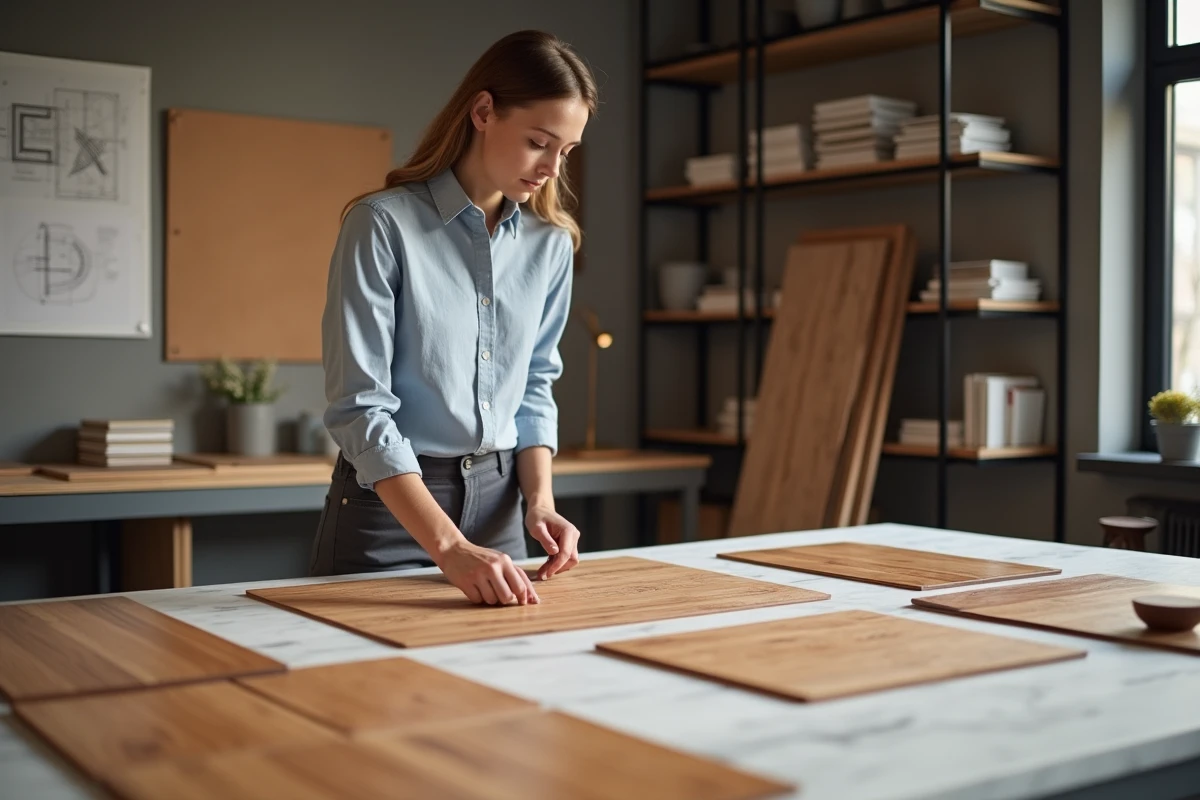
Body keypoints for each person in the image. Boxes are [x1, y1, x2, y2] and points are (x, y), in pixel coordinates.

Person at [309, 30, 596, 607]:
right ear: (484, 111)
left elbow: (535, 386)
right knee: (363, 689)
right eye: (539, 141)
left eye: (565, 152)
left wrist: (539, 502)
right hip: (390, 508)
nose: (550, 168)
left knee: (501, 683)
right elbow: (359, 404)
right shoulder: (382, 225)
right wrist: (446, 545)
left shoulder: (551, 244)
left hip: (502, 504)